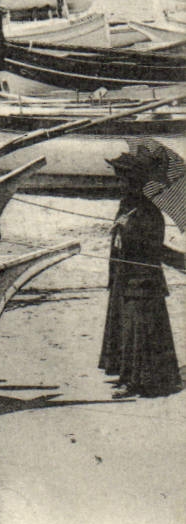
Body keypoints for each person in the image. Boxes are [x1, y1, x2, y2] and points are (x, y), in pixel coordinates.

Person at [99, 146, 185, 398]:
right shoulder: (127, 206)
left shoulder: (148, 212)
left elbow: (153, 250)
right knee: (126, 330)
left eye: (124, 179)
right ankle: (127, 376)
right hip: (124, 279)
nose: (120, 183)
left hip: (142, 282)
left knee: (140, 333)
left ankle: (137, 383)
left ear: (136, 182)